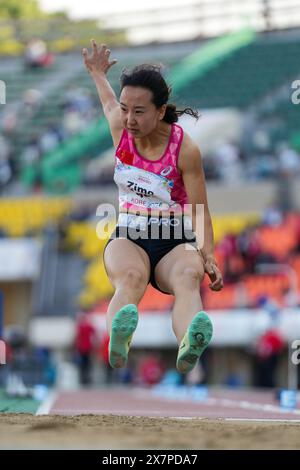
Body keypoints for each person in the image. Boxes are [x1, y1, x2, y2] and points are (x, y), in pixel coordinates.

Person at [82, 40, 223, 375]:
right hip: (129, 234)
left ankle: (190, 340)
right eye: (126, 108)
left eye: (139, 111)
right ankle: (119, 336)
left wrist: (209, 255)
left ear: (160, 111)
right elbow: (106, 102)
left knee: (189, 276)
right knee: (130, 277)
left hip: (174, 238)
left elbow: (200, 210)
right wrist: (98, 73)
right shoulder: (121, 127)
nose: (128, 118)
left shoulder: (185, 150)